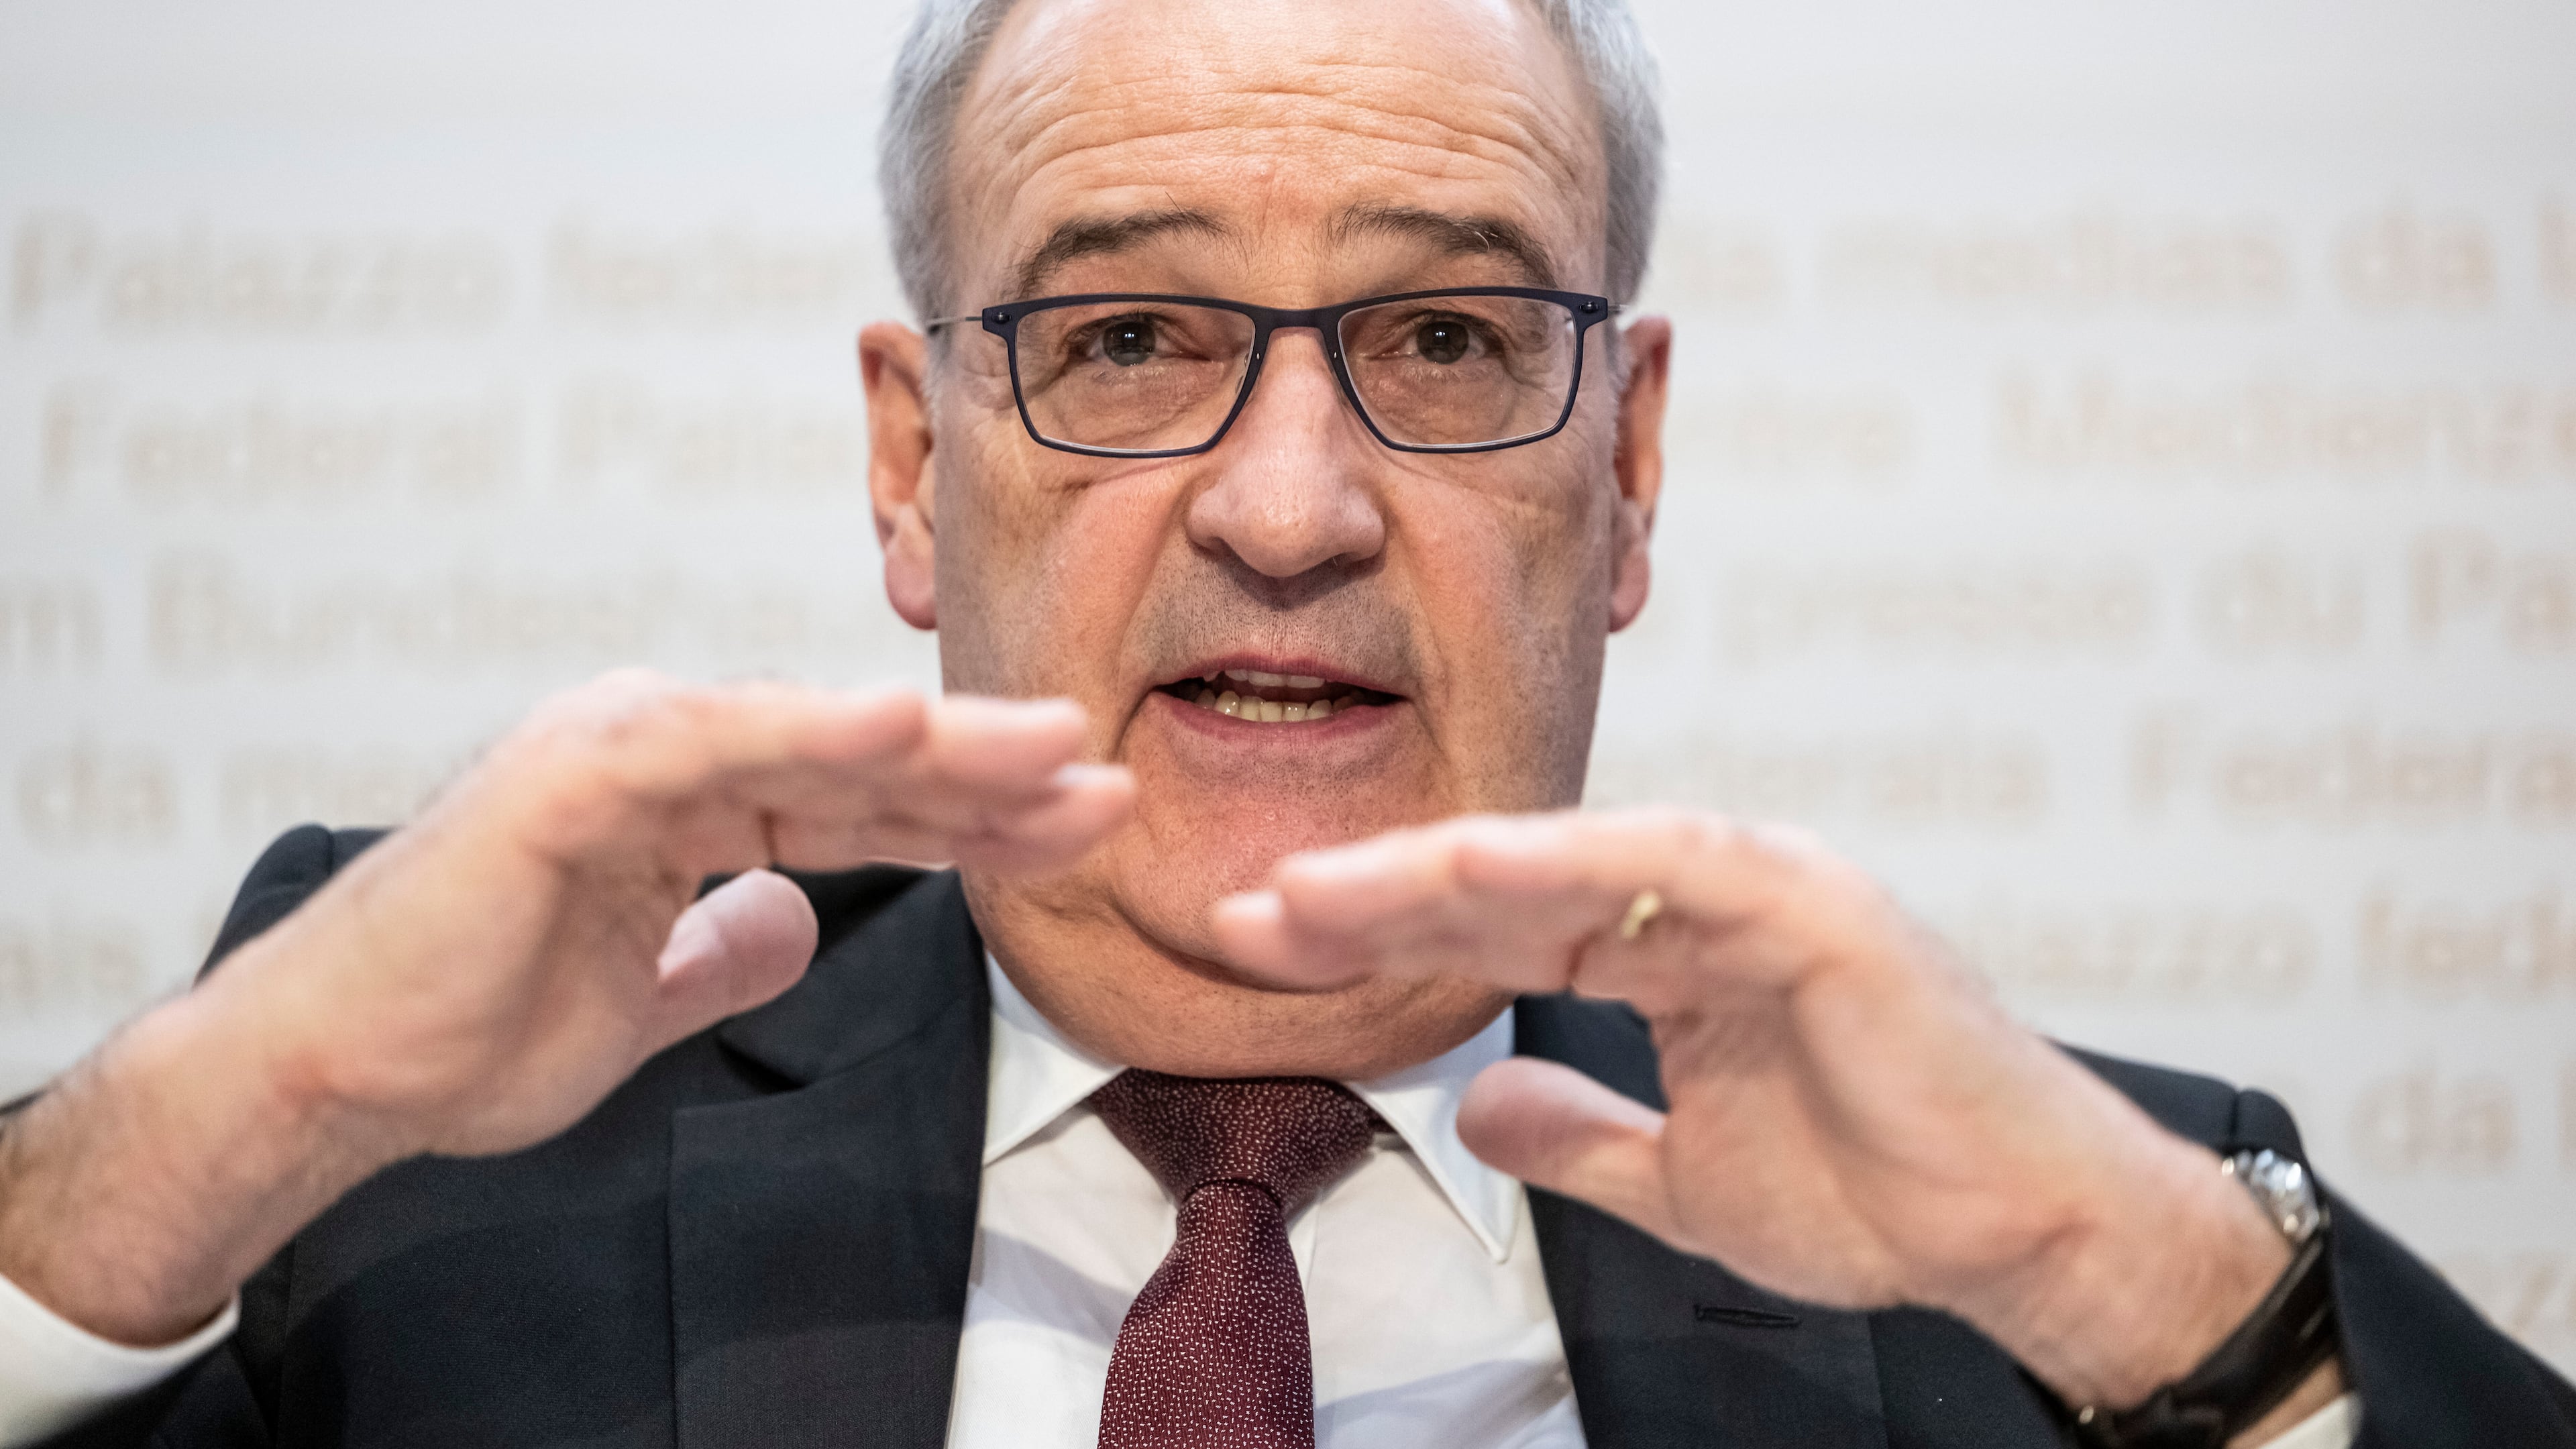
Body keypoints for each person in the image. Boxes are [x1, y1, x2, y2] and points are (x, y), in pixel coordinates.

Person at [1, 0, 2569, 1445]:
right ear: (920, 471)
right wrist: (178, 1168)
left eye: (1449, 337)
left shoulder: (2077, 1250)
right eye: (1130, 338)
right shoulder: (443, 1174)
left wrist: (2164, 1317)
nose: (1296, 504)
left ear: (1630, 467)